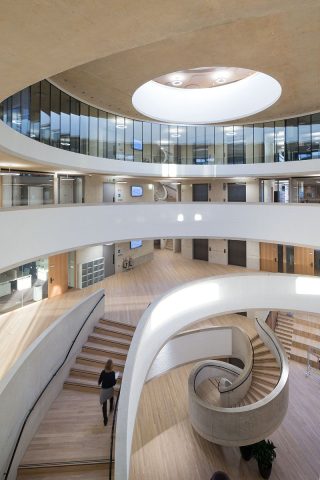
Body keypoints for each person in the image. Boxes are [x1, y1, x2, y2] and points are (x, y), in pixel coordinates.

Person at [98, 359, 117, 426]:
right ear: (112, 366)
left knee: (104, 405)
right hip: (110, 390)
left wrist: (101, 382)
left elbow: (99, 381)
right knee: (111, 398)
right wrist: (115, 379)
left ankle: (105, 419)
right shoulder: (113, 373)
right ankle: (111, 408)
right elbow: (114, 383)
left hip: (103, 391)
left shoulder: (103, 372)